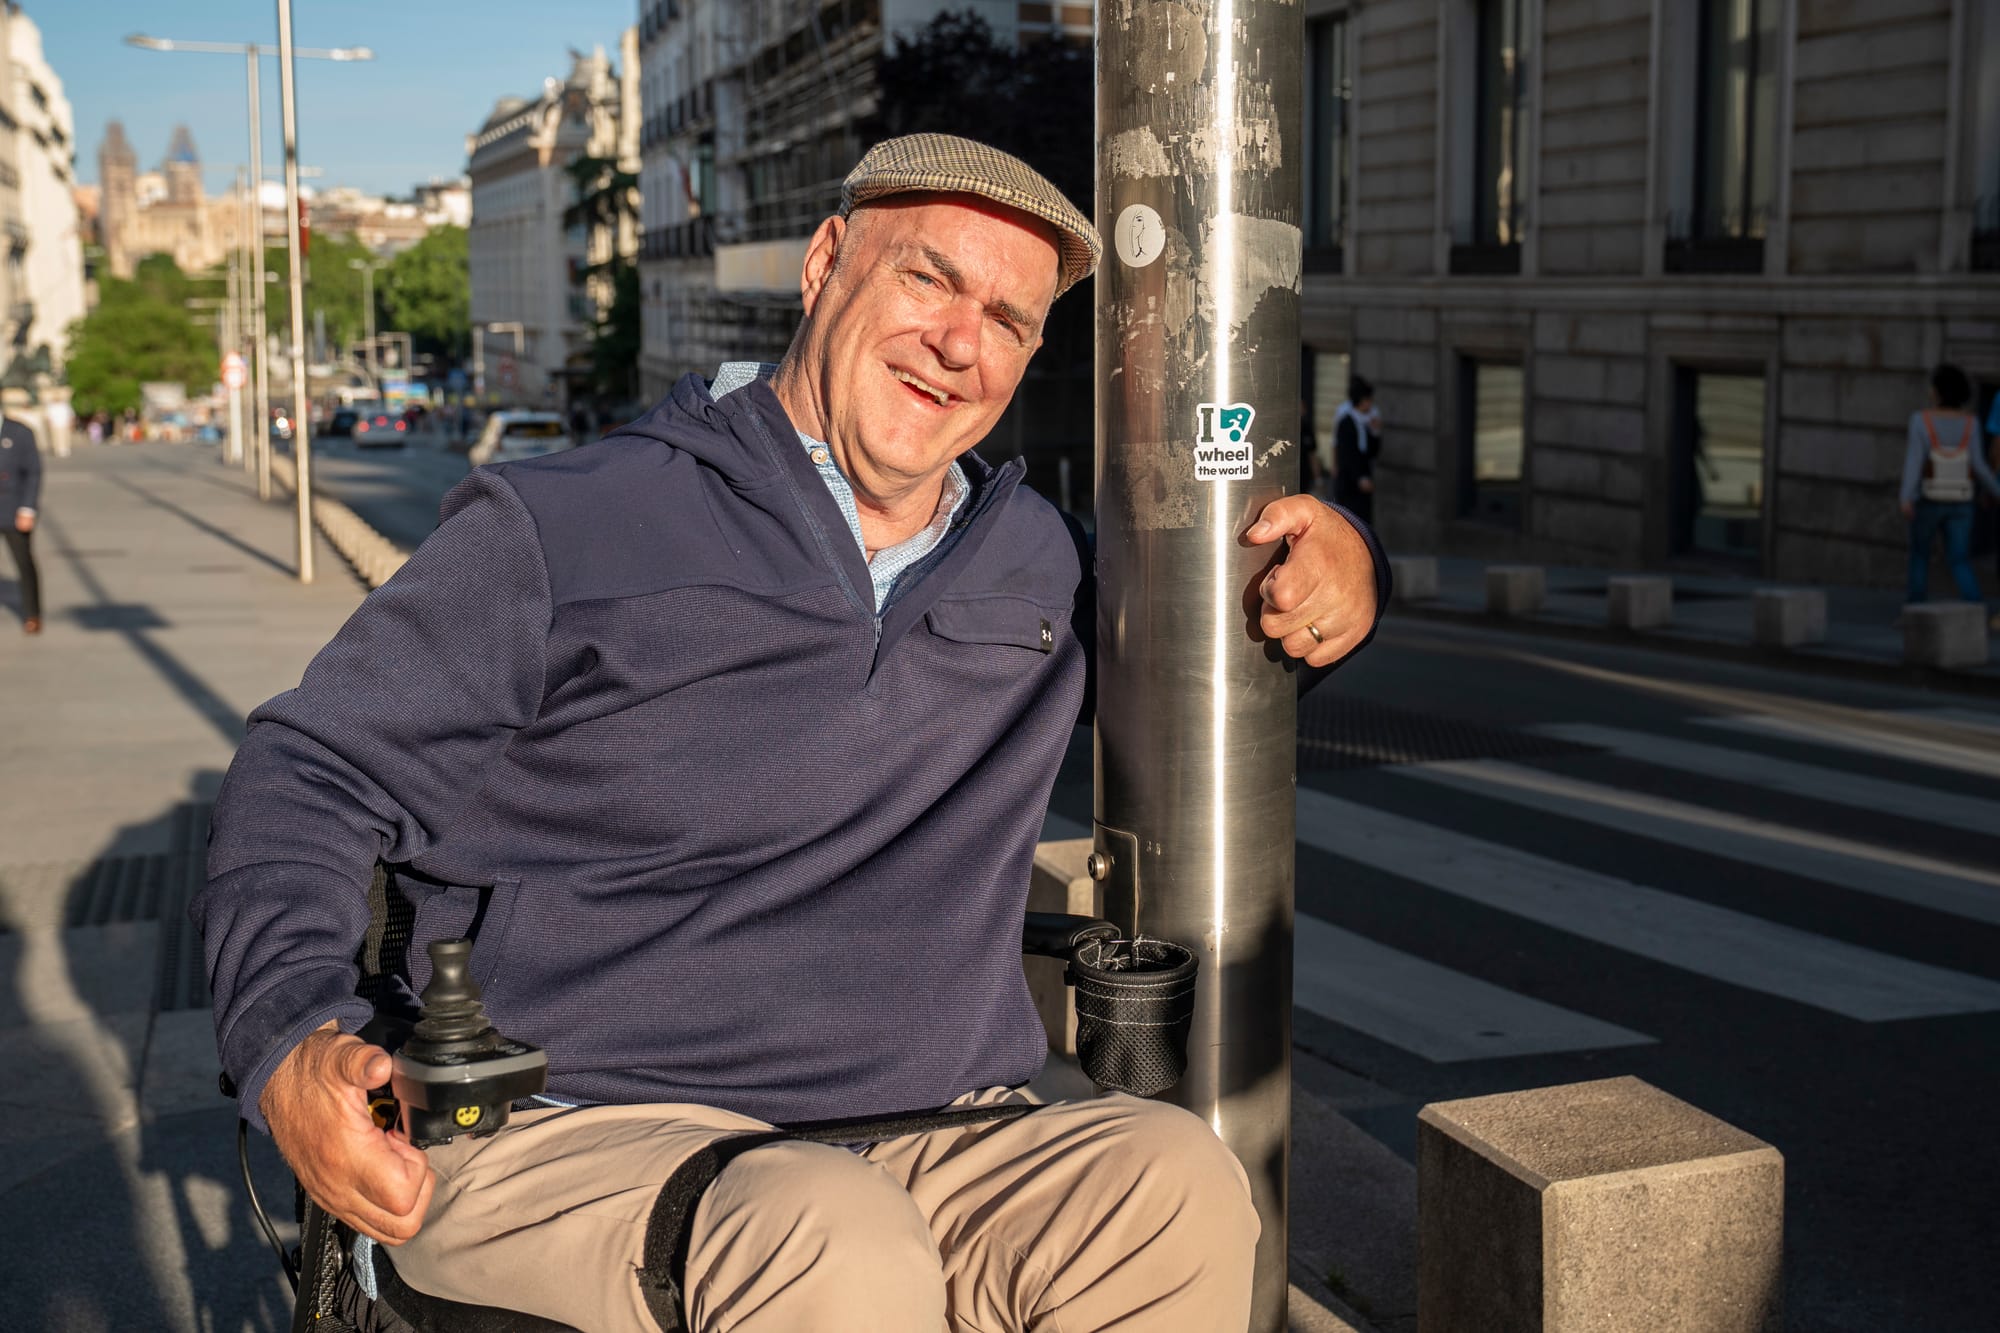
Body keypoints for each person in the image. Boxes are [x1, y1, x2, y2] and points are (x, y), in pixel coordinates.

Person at [196, 135, 1388, 1333]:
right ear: (824, 264)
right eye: (927, 279)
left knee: (1171, 1183)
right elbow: (307, 773)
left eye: (1008, 318)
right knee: (830, 1239)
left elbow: (1222, 653)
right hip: (574, 1125)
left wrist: (1350, 566)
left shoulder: (1033, 560)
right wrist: (290, 1036)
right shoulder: (566, 524)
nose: (959, 340)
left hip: (933, 1127)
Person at [1900, 362, 2000, 607]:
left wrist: (1906, 496)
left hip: (1929, 499)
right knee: (1959, 559)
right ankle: (1975, 608)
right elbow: (1978, 465)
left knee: (1920, 556)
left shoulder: (1920, 421)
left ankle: (1915, 611)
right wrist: (1996, 491)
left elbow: (1914, 461)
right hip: (1961, 502)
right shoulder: (1970, 424)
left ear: (1938, 391)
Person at [0, 411, 42, 634]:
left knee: (23, 563)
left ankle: (32, 613)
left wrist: (27, 508)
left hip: (12, 509)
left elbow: (33, 472)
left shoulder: (20, 432)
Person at [1331, 373, 1382, 523]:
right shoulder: (1346, 422)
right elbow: (1346, 454)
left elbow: (1372, 452)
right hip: (1350, 481)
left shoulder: (1367, 421)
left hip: (1363, 479)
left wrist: (1376, 432)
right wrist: (1359, 478)